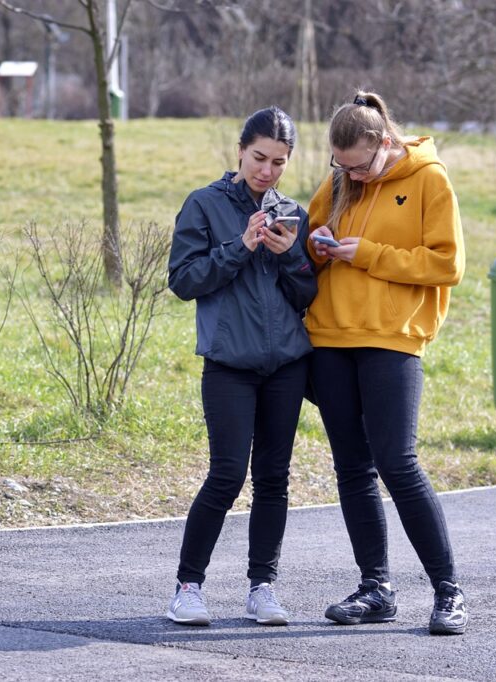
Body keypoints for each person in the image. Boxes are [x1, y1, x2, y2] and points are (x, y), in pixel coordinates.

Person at [304, 91, 468, 635]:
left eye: (358, 165)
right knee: (352, 468)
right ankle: (375, 588)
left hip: (394, 338)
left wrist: (367, 254)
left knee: (398, 463)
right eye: (340, 165)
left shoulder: (429, 179)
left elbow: (447, 264)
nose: (350, 174)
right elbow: (309, 239)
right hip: (330, 337)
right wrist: (317, 244)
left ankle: (448, 592)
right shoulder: (339, 182)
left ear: (384, 143)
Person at [166, 106, 317, 627]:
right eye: (259, 158)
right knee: (226, 475)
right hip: (229, 364)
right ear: (240, 151)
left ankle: (263, 587)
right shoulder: (204, 204)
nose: (267, 171)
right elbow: (184, 280)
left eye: (279, 162)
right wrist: (241, 245)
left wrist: (289, 254)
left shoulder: (292, 210)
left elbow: (306, 292)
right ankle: (188, 587)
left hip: (286, 366)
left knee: (274, 479)